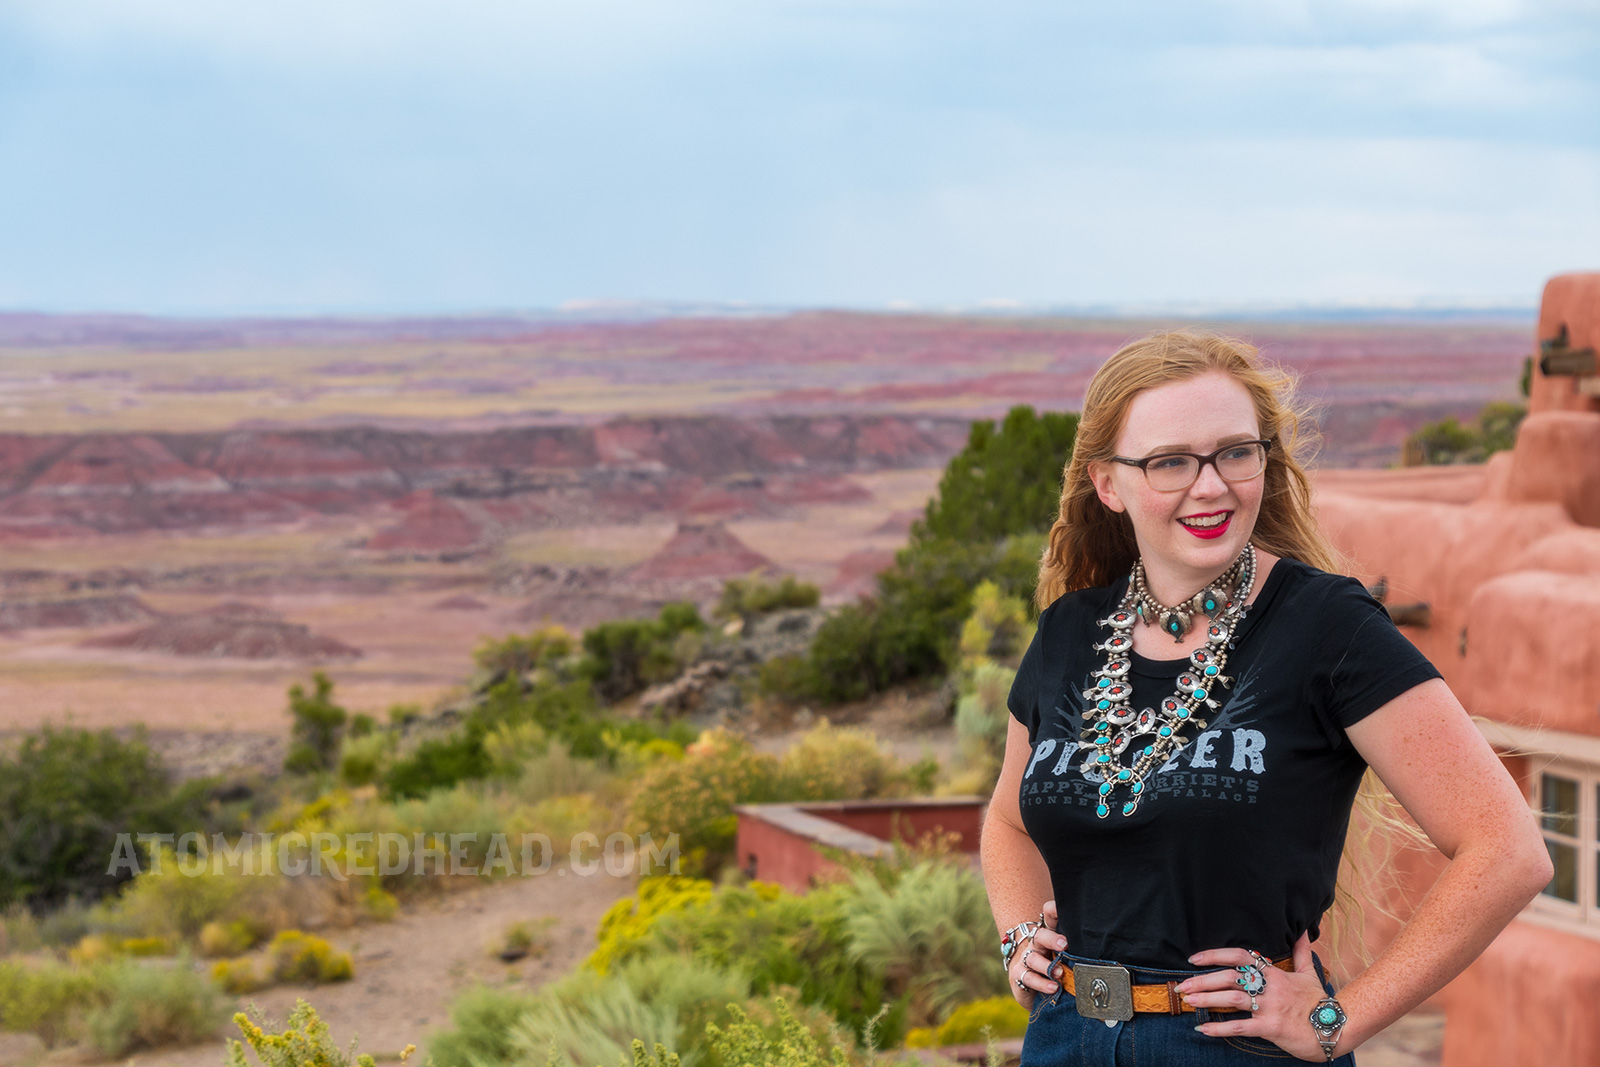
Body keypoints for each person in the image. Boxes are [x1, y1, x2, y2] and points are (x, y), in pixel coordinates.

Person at [980, 331, 1551, 1064]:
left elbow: (1508, 849)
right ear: (1108, 483)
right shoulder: (1069, 630)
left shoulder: (1328, 627)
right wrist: (1020, 935)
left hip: (1233, 1046)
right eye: (1171, 461)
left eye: (1235, 452)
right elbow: (1006, 820)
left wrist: (1340, 1021)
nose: (1211, 484)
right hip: (1065, 1037)